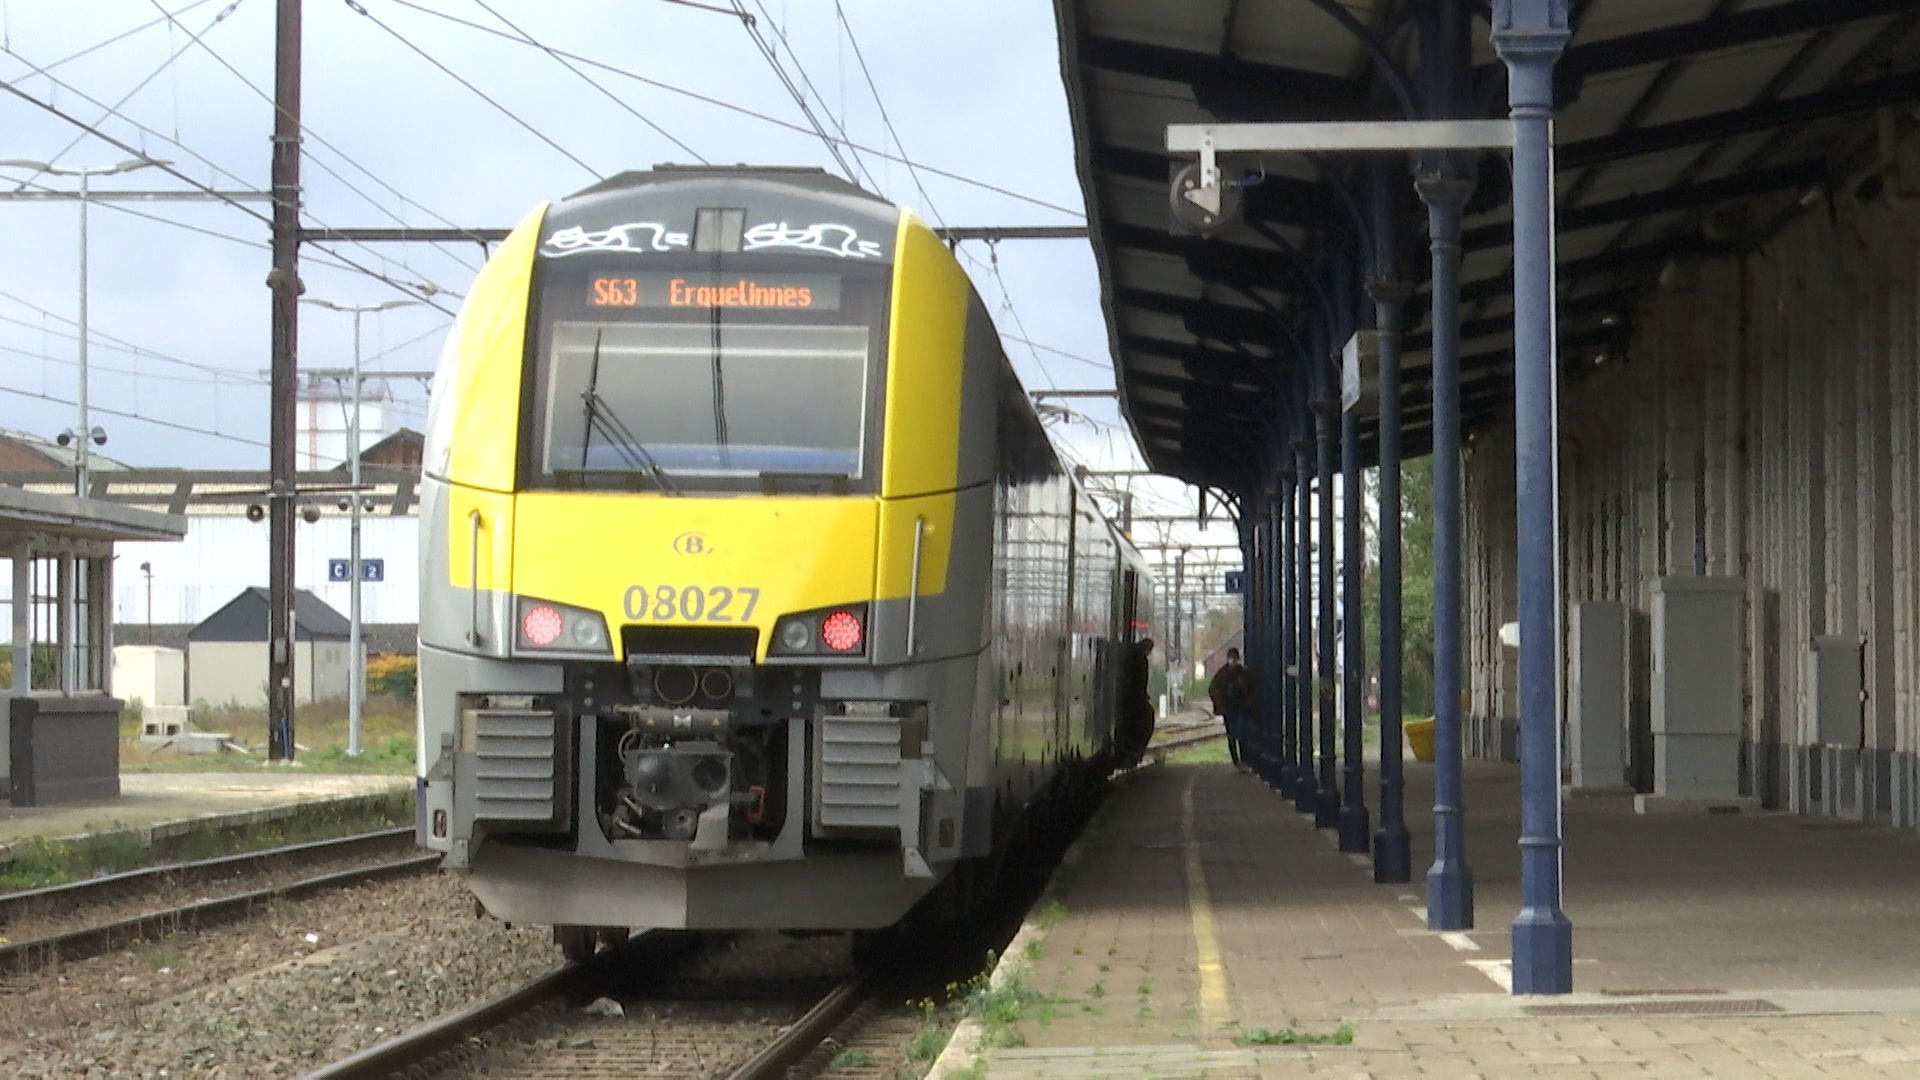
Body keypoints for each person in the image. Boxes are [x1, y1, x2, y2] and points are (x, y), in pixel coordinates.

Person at [1208, 647, 1256, 769]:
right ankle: (1237, 761)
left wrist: (1248, 703)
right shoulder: (1225, 673)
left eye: (1234, 658)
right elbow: (1213, 688)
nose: (1233, 661)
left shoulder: (1242, 673)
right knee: (1233, 734)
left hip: (1240, 707)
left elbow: (1251, 690)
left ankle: (1243, 760)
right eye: (1231, 658)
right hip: (1229, 707)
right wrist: (1220, 703)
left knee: (1240, 732)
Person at [1118, 637, 1156, 767]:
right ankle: (1137, 749)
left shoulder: (1132, 654)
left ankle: (1135, 749)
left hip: (1132, 697)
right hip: (1133, 699)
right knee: (1146, 717)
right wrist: (1141, 694)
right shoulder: (1139, 658)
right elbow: (1138, 680)